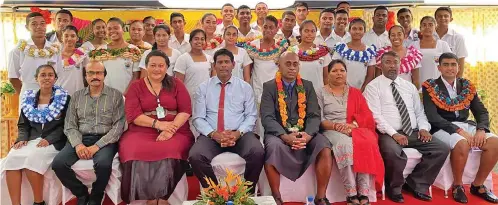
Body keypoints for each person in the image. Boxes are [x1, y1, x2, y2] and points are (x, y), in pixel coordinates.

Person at [364, 51, 449, 203]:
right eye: (388, 62)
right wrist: (393, 134)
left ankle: (416, 183)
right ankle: (394, 188)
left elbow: (419, 112)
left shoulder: (409, 87)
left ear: (400, 65)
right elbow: (375, 115)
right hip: (388, 133)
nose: (392, 66)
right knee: (392, 152)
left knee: (441, 148)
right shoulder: (373, 87)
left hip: (413, 131)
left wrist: (423, 128)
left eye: (395, 62)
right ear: (380, 65)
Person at [120, 50, 194, 205]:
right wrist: (159, 125)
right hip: (142, 129)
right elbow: (132, 114)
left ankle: (164, 197)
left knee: (170, 150)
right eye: (152, 65)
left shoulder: (176, 83)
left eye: (161, 65)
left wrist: (170, 129)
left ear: (167, 67)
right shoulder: (136, 86)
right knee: (133, 150)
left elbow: (185, 110)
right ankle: (147, 199)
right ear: (146, 67)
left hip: (177, 129)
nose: (156, 69)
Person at [422, 52, 498, 204]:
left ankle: (478, 185)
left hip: (466, 125)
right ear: (439, 68)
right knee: (461, 143)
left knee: (495, 142)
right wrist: (459, 131)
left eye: (453, 64)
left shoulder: (467, 86)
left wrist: (481, 130)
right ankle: (458, 186)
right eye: (446, 65)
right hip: (441, 128)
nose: (450, 68)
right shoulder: (430, 86)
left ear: (458, 67)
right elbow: (433, 117)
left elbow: (481, 112)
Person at [261, 51, 332, 205]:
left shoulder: (307, 85)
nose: (292, 68)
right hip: (278, 134)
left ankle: (321, 197)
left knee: (324, 146)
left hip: (305, 132)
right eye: (288, 64)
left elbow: (314, 115)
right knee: (272, 147)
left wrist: (308, 134)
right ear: (279, 66)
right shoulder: (269, 87)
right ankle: (276, 197)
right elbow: (267, 117)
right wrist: (284, 136)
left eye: (295, 64)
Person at [189, 48, 264, 194]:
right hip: (212, 135)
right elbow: (198, 117)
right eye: (220, 62)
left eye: (226, 62)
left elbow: (251, 116)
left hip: (239, 134)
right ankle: (216, 194)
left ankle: (245, 194)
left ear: (233, 64)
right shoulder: (203, 88)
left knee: (257, 152)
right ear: (214, 65)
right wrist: (214, 134)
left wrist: (238, 133)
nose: (223, 65)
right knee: (195, 156)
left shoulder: (245, 87)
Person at [52, 61, 125, 205]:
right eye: (91, 73)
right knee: (58, 164)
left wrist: (96, 146)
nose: (95, 76)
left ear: (104, 75)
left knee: (103, 165)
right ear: (86, 76)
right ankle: (81, 193)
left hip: (105, 140)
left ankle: (97, 195)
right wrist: (78, 145)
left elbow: (118, 126)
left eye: (98, 73)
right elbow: (70, 125)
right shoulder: (77, 96)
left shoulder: (115, 96)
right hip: (80, 137)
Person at [317, 60, 383, 205]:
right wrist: (336, 126)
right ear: (328, 74)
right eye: (334, 71)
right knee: (345, 145)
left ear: (346, 73)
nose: (338, 73)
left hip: (354, 128)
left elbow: (366, 115)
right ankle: (351, 193)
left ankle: (363, 192)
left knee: (366, 142)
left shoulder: (355, 92)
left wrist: (352, 125)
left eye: (342, 70)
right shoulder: (320, 92)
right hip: (330, 129)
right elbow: (319, 119)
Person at [2, 65, 70, 205]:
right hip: (31, 139)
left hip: (53, 142)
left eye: (50, 75)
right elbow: (23, 125)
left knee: (32, 161)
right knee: (11, 160)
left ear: (55, 78)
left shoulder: (65, 98)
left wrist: (49, 139)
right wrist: (21, 139)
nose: (47, 78)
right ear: (36, 79)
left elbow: (67, 125)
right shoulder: (29, 99)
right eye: (43, 75)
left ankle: (38, 202)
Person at [244, 15, 289, 137]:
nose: (268, 30)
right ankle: (260, 144)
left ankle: (275, 141)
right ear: (261, 28)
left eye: (271, 27)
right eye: (265, 27)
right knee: (258, 118)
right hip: (257, 87)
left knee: (276, 115)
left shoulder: (282, 46)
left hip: (277, 88)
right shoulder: (252, 46)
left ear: (276, 29)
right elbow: (248, 68)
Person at [8, 12, 62, 99]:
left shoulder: (55, 49)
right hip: (28, 94)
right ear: (27, 27)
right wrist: (26, 94)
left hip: (50, 95)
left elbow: (58, 73)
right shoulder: (19, 50)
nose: (39, 27)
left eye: (42, 23)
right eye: (34, 24)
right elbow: (13, 77)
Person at [89, 17, 141, 94]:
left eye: (116, 28)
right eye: (109, 29)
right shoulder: (100, 51)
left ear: (123, 29)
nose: (112, 31)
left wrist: (126, 94)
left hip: (127, 96)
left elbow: (136, 76)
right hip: (106, 95)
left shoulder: (134, 50)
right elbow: (97, 75)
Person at [332, 18, 376, 91]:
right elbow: (335, 70)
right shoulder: (341, 49)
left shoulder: (369, 52)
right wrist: (343, 87)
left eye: (360, 29)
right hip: (342, 90)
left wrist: (361, 90)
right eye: (354, 29)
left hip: (362, 91)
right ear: (349, 31)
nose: (357, 32)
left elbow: (370, 76)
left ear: (364, 31)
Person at [288, 20, 331, 92]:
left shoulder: (323, 52)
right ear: (300, 32)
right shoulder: (292, 52)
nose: (309, 34)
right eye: (306, 31)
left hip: (318, 93)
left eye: (312, 31)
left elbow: (326, 77)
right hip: (297, 93)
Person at [375, 25, 422, 89]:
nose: (396, 37)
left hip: (406, 93)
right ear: (389, 37)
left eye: (399, 34)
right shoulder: (381, 54)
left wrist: (413, 96)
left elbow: (416, 81)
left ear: (404, 36)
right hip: (385, 92)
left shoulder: (413, 54)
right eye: (393, 35)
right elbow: (378, 78)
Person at [174, 29, 214, 100]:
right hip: (189, 98)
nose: (199, 41)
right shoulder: (183, 59)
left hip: (206, 98)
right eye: (196, 39)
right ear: (190, 41)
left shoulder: (210, 59)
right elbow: (178, 84)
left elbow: (213, 81)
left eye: (202, 39)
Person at [411, 16, 451, 86]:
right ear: (420, 28)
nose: (427, 27)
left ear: (435, 28)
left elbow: (450, 65)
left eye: (430, 25)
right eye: (424, 25)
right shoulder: (413, 46)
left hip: (439, 87)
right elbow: (411, 69)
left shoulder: (443, 45)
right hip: (419, 87)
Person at [435, 7, 468, 78]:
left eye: (446, 16)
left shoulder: (458, 38)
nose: (442, 18)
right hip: (431, 78)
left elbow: (460, 62)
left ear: (451, 19)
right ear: (435, 19)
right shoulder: (428, 36)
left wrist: (457, 83)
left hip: (450, 79)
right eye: (439, 16)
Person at [56, 25, 87, 95]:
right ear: (61, 38)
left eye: (73, 36)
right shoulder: (55, 55)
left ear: (77, 38)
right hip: (59, 96)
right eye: (66, 36)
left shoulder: (82, 54)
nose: (69, 39)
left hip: (78, 94)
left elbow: (87, 75)